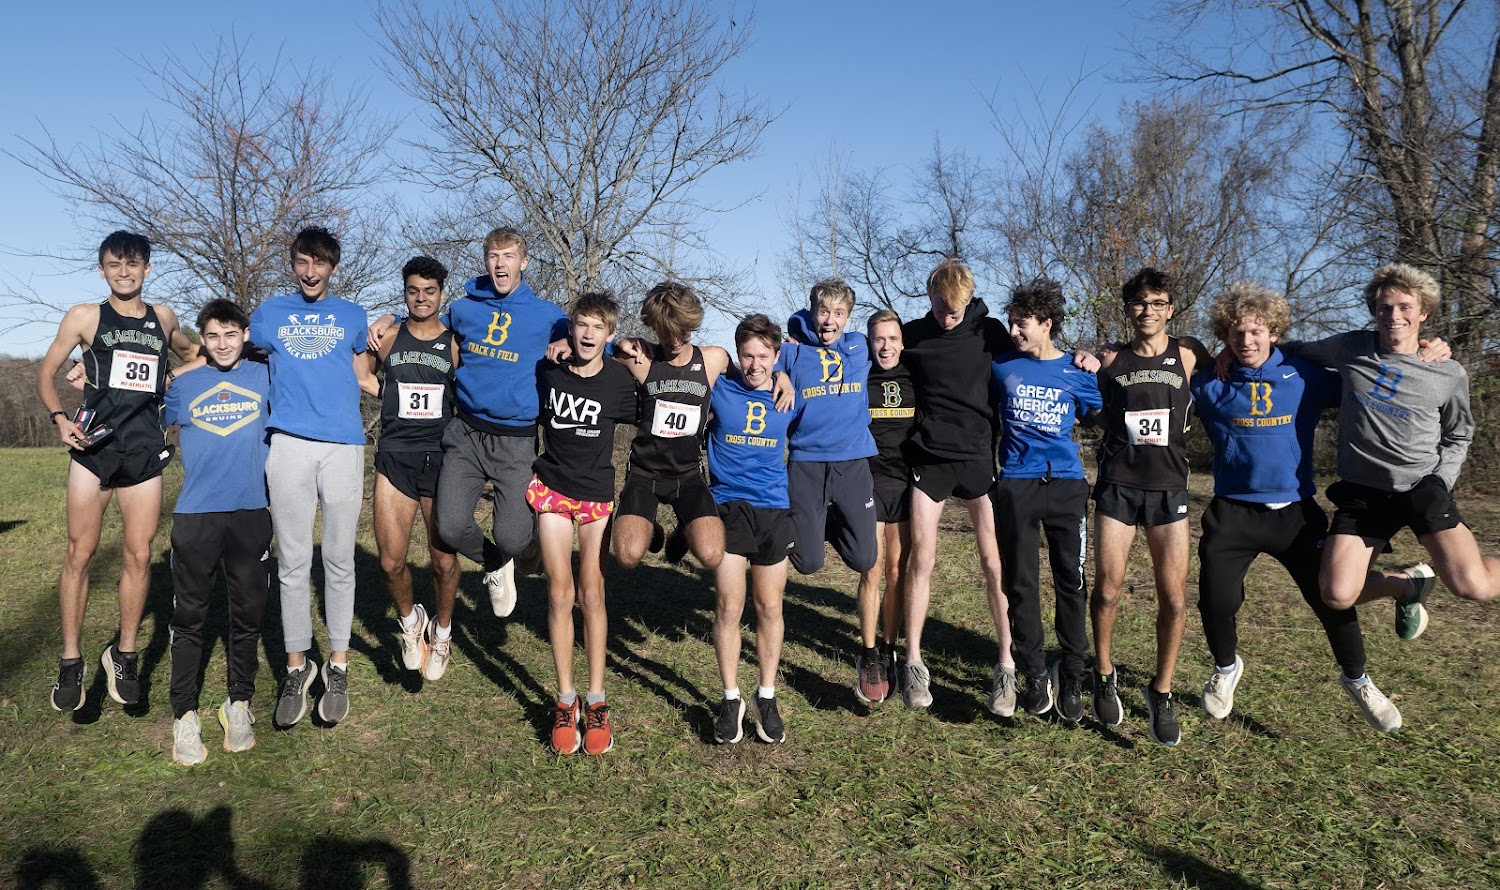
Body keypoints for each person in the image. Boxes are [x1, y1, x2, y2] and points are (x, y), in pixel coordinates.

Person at [1192, 281, 1428, 733]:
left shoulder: (1304, 375)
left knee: (1331, 601)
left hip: (1295, 513)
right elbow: (1165, 367)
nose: (1246, 341)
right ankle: (1225, 668)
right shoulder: (1210, 383)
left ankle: (1358, 680)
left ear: (1275, 332)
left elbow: (1369, 382)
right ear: (1224, 336)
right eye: (1237, 333)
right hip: (1232, 514)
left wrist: (1425, 350)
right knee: (1216, 601)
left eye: (1256, 331)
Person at [1289, 264, 1499, 634]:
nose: (1394, 316)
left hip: (1421, 488)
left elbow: (1459, 434)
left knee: (1474, 587)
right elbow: (1296, 350)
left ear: (1423, 313)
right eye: (1384, 307)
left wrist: (1441, 480)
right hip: (1363, 494)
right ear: (1374, 311)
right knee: (1336, 594)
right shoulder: (1351, 347)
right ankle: (1406, 586)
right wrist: (1234, 353)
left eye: (1405, 307)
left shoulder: (1447, 371)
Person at [36, 230, 196, 711]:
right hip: (94, 447)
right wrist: (60, 419)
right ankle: (70, 660)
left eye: (132, 264)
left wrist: (170, 376)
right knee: (80, 553)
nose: (124, 273)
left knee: (139, 555)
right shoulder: (85, 316)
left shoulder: (163, 318)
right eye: (114, 264)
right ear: (102, 269)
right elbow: (45, 373)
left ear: (147, 268)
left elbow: (196, 354)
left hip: (144, 451)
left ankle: (124, 655)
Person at [247, 226, 372, 729]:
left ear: (333, 268)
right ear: (293, 264)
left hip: (343, 446)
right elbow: (225, 349)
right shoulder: (269, 313)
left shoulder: (354, 316)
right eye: (302, 262)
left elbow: (365, 370)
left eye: (319, 263)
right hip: (289, 445)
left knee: (339, 560)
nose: (310, 272)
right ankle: (297, 667)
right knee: (293, 562)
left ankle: (338, 665)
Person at [1091, 267, 1211, 746]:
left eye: (1158, 303)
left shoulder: (1189, 352)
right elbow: (1084, 396)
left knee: (1175, 599)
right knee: (1106, 590)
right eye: (1140, 303)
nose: (1149, 311)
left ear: (1171, 309)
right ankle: (1103, 674)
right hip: (1118, 486)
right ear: (1128, 309)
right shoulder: (1110, 358)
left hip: (1169, 489)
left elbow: (1238, 365)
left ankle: (1160, 691)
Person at [425, 228, 568, 618]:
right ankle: (495, 563)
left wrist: (571, 342)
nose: (500, 263)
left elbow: (594, 339)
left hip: (515, 439)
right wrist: (390, 319)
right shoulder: (464, 308)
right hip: (466, 432)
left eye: (508, 256)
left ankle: (524, 546)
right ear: (486, 262)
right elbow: (424, 327)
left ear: (524, 262)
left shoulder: (549, 316)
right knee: (450, 527)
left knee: (513, 536)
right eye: (493, 256)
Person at [898, 259, 1016, 714]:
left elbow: (1032, 357)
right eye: (940, 308)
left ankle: (1006, 666)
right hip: (930, 458)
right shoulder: (914, 335)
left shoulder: (990, 332)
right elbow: (870, 350)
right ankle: (912, 662)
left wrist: (1086, 358)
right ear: (929, 297)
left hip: (978, 458)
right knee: (921, 559)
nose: (948, 317)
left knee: (994, 563)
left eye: (956, 310)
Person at [162, 299, 272, 763]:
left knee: (247, 615)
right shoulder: (184, 387)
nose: (223, 344)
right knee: (190, 617)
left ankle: (239, 703)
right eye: (213, 335)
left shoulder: (267, 377)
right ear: (201, 340)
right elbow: (137, 409)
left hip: (251, 512)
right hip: (196, 515)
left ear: (245, 335)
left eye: (231, 334)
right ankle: (184, 715)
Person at [991, 278, 1103, 723]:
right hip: (1017, 485)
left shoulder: (1078, 371)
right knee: (1021, 584)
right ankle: (1035, 673)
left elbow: (1101, 415)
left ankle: (1073, 673)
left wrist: (1098, 357)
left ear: (1047, 324)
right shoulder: (1001, 366)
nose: (1014, 331)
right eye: (1011, 322)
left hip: (1066, 486)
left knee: (1071, 581)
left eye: (1022, 324)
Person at [532, 293, 638, 755]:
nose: (588, 334)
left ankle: (596, 702)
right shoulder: (548, 370)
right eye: (581, 325)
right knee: (560, 593)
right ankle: (565, 700)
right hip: (552, 489)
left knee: (592, 593)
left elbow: (657, 397)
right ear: (570, 328)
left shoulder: (619, 380)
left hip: (596, 494)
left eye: (598, 327)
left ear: (609, 334)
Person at [362, 257, 461, 682]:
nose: (421, 298)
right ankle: (410, 623)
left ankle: (442, 632)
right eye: (413, 291)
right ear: (404, 292)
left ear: (442, 294)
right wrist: (384, 391)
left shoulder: (456, 343)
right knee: (390, 562)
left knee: (443, 563)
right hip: (395, 456)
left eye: (429, 291)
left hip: (441, 459)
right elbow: (361, 372)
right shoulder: (387, 336)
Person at [704, 315, 797, 744]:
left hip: (774, 509)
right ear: (736, 354)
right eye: (747, 355)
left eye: (763, 356)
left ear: (776, 356)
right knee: (729, 606)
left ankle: (766, 696)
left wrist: (786, 376)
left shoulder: (788, 393)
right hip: (728, 508)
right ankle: (730, 699)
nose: (754, 364)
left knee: (770, 607)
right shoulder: (721, 387)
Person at [608, 282, 731, 571]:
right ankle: (651, 528)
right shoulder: (641, 358)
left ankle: (684, 531)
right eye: (665, 333)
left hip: (688, 474)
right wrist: (618, 343)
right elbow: (592, 354)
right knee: (627, 556)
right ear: (654, 326)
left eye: (682, 332)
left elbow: (753, 378)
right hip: (644, 473)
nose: (675, 340)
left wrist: (782, 377)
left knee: (712, 555)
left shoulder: (714, 359)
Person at [778, 279, 878, 581]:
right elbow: (761, 365)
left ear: (848, 316)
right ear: (812, 313)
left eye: (838, 313)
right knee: (807, 562)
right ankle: (810, 521)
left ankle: (829, 518)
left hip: (852, 460)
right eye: (823, 312)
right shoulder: (791, 351)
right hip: (807, 462)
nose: (829, 321)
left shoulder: (858, 346)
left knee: (864, 558)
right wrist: (780, 374)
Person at [853, 309, 915, 704]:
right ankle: (869, 652)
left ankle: (891, 648)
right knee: (871, 569)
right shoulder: (860, 373)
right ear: (869, 342)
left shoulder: (916, 374)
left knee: (897, 571)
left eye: (892, 338)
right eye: (878, 338)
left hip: (907, 484)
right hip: (870, 481)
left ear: (902, 342)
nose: (886, 346)